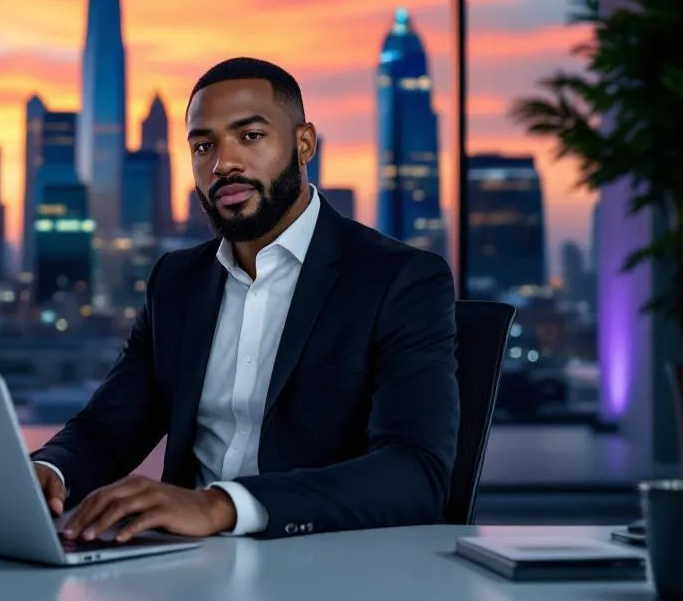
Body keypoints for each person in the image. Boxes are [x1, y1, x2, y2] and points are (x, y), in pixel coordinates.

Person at [30, 57, 459, 542]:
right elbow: (111, 426)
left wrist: (222, 506)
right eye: (203, 145)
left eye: (250, 136)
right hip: (182, 571)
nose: (223, 163)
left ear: (304, 144)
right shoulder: (176, 281)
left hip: (328, 569)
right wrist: (48, 472)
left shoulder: (398, 280)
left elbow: (415, 473)